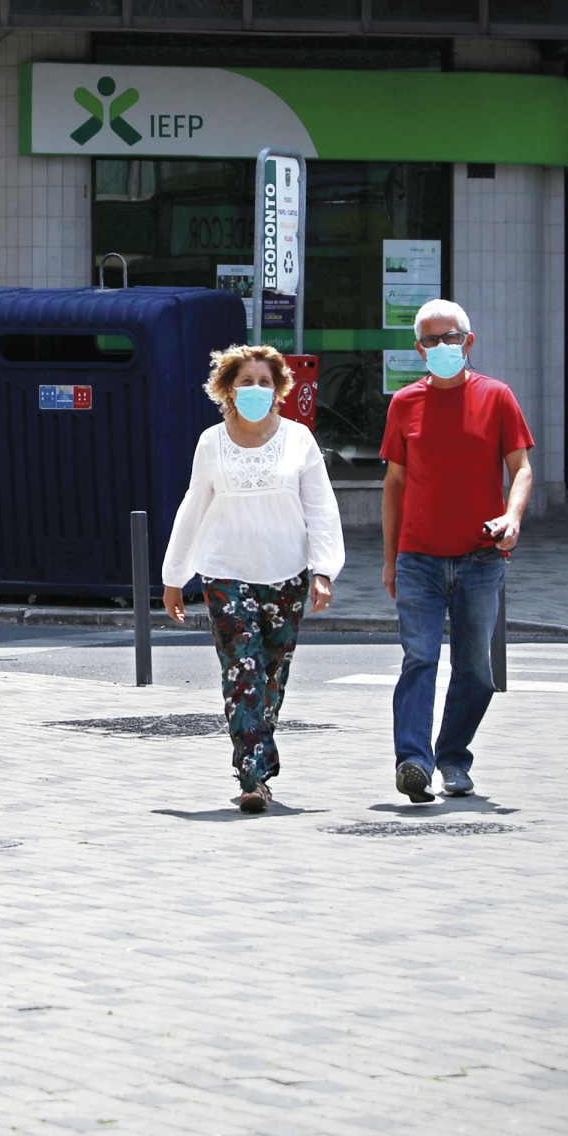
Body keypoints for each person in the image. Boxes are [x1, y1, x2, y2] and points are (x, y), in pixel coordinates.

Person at [162, 346, 344, 813]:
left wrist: (323, 570)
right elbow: (193, 507)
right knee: (241, 670)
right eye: (246, 381)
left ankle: (257, 759)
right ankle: (253, 776)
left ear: (279, 388)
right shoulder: (211, 442)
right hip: (225, 572)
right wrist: (174, 576)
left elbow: (321, 510)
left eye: (265, 381)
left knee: (271, 675)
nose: (256, 390)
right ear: (227, 389)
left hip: (286, 574)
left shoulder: (299, 440)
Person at [381, 299, 533, 802]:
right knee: (419, 659)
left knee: (476, 673)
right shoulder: (404, 404)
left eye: (451, 338)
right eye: (430, 339)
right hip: (419, 557)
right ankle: (413, 762)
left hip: (480, 558)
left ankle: (452, 756)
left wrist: (512, 517)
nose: (441, 347)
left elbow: (521, 468)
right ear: (418, 348)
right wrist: (390, 559)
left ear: (468, 342)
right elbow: (394, 484)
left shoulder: (497, 397)